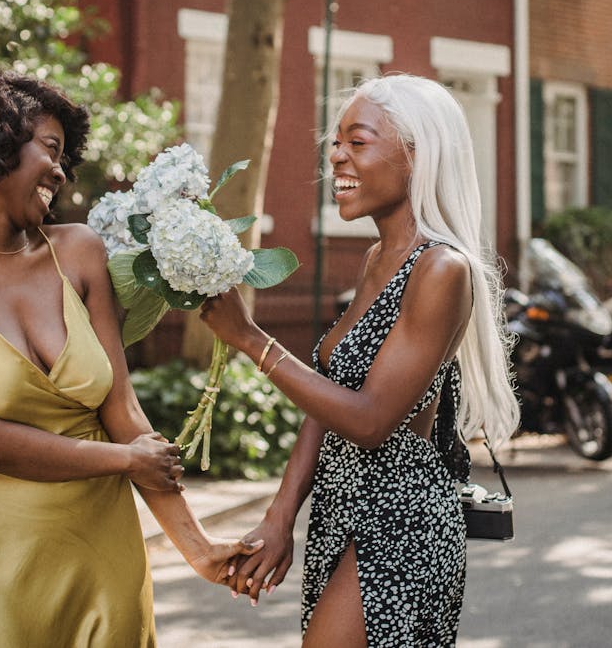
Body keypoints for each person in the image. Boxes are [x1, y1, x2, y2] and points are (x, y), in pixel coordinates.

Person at [0, 70, 259, 647]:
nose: (60, 171)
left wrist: (199, 549)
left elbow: (123, 413)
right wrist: (123, 462)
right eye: (50, 149)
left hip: (105, 553)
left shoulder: (79, 250)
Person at [200, 73, 520, 646]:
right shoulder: (378, 258)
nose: (337, 156)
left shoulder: (441, 269)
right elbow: (329, 398)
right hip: (340, 512)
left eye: (359, 141)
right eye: (336, 141)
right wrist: (280, 517)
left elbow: (369, 420)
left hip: (401, 518)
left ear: (417, 155)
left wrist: (252, 341)